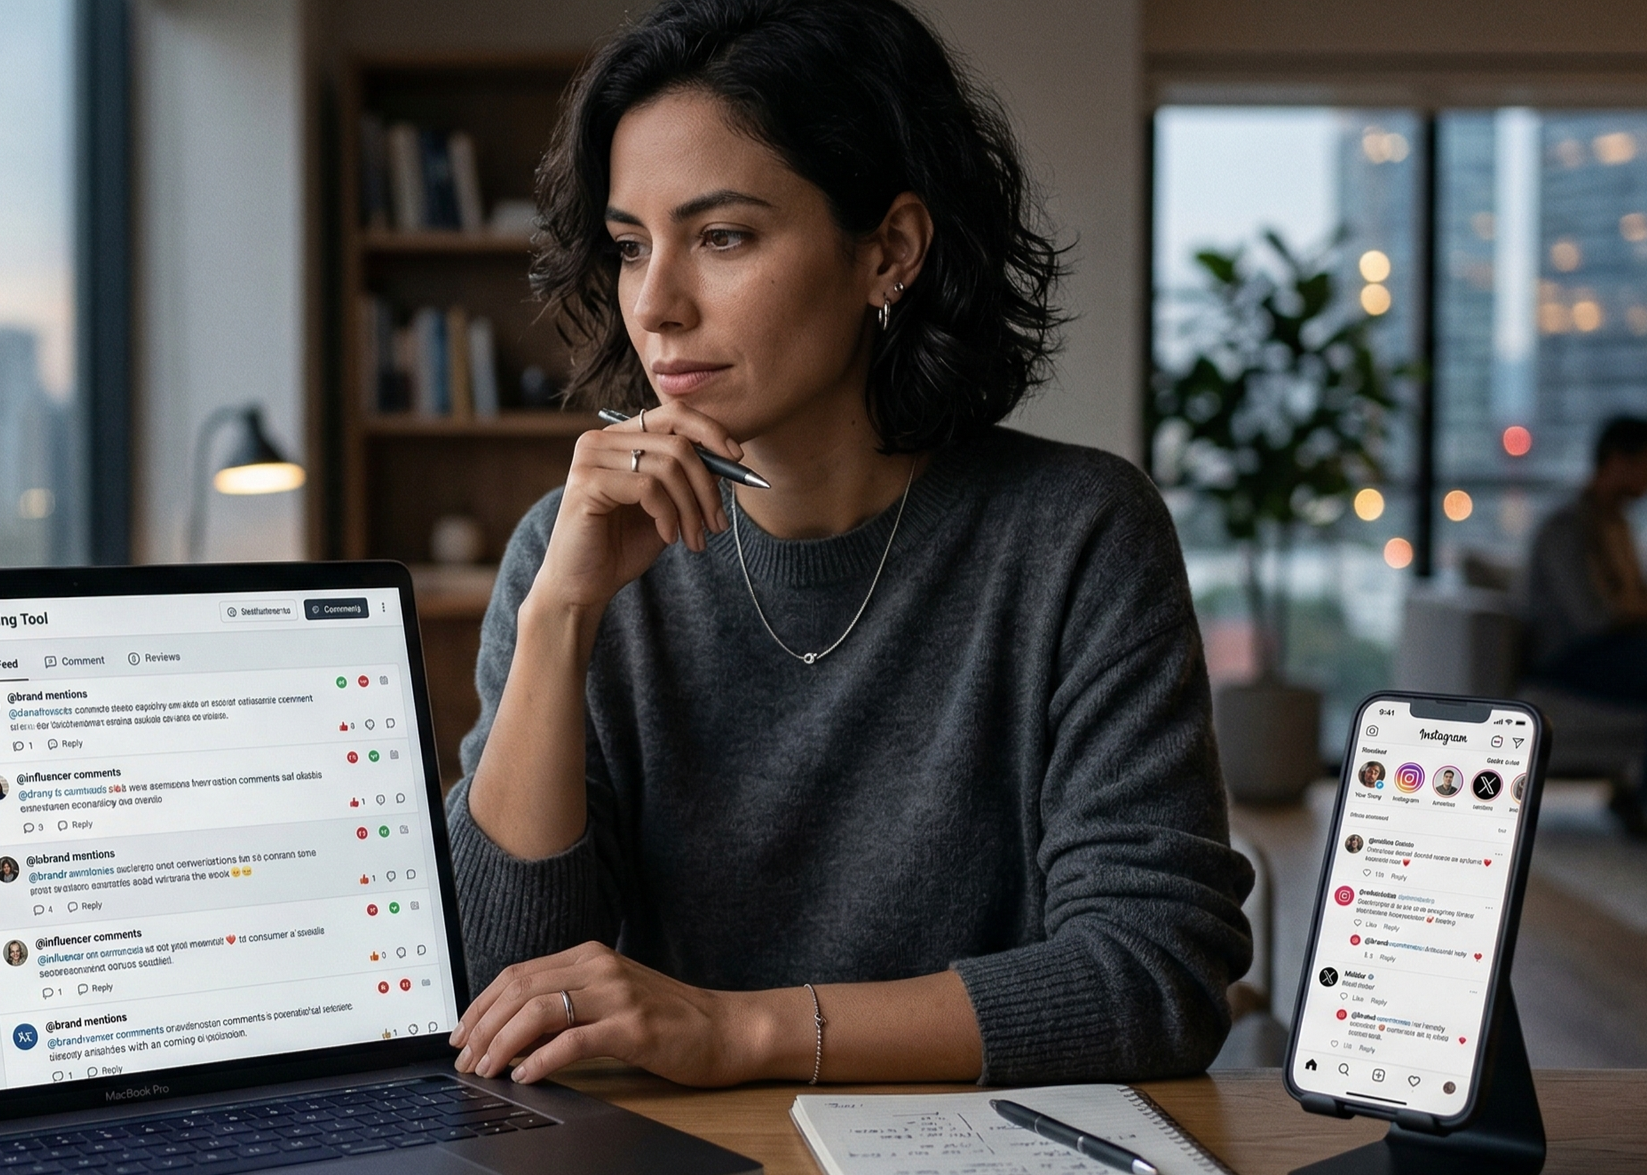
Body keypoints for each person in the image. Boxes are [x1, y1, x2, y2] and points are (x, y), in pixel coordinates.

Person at [444, 0, 1252, 1092]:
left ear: (891, 251)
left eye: (723, 236)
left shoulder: (1076, 533)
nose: (660, 305)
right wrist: (559, 615)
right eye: (634, 247)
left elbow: (1155, 975)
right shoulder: (571, 548)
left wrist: (739, 1032)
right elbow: (498, 1001)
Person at [1520, 415, 1647, 834]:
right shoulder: (1567, 527)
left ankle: (1636, 795)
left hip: (1615, 648)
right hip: (1571, 658)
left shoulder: (1618, 525)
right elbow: (1591, 619)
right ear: (1617, 460)